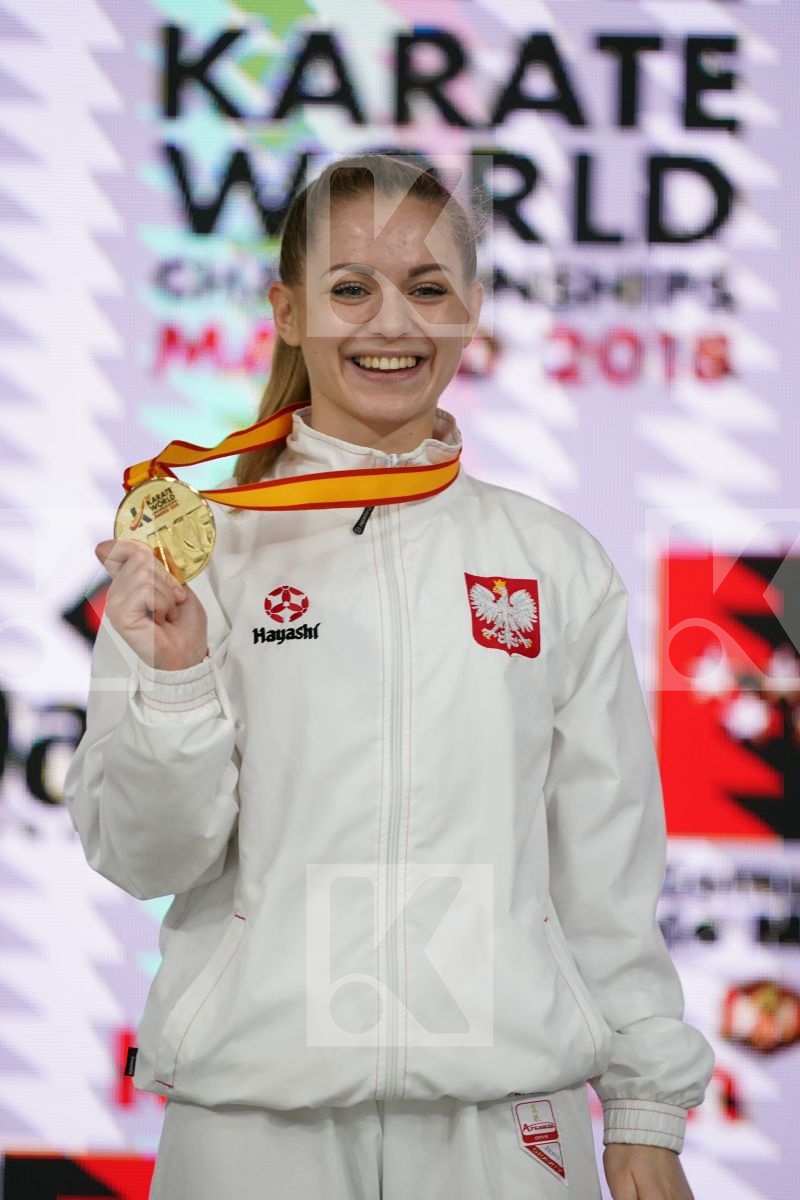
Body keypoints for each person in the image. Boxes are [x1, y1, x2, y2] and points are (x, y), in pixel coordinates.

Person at [65, 154, 714, 1200]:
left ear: (470, 311)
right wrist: (175, 679)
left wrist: (643, 1107)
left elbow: (602, 863)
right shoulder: (195, 551)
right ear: (286, 310)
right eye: (349, 289)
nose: (390, 324)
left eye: (425, 289)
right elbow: (144, 853)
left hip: (503, 1116)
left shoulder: (549, 558)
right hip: (253, 1111)